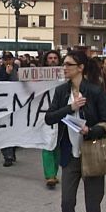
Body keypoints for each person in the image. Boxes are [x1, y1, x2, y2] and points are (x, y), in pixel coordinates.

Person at [45, 50, 106, 212]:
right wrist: (70, 108)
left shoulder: (95, 91)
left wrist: (90, 131)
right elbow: (49, 118)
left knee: (92, 205)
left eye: (69, 65)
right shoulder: (61, 91)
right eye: (64, 64)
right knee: (66, 202)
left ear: (80, 68)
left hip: (92, 153)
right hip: (70, 156)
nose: (64, 68)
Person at [41, 50, 61, 189]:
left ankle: (54, 171)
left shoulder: (65, 76)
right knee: (47, 142)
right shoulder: (39, 76)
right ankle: (50, 175)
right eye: (50, 58)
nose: (53, 60)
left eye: (55, 58)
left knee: (58, 144)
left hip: (62, 113)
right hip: (44, 114)